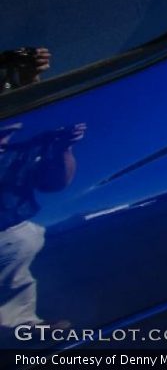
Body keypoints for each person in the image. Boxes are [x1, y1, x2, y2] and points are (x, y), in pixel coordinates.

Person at [0, 122, 85, 333]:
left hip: (11, 227)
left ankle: (24, 327)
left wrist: (63, 149)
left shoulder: (30, 146)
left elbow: (54, 184)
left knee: (24, 245)